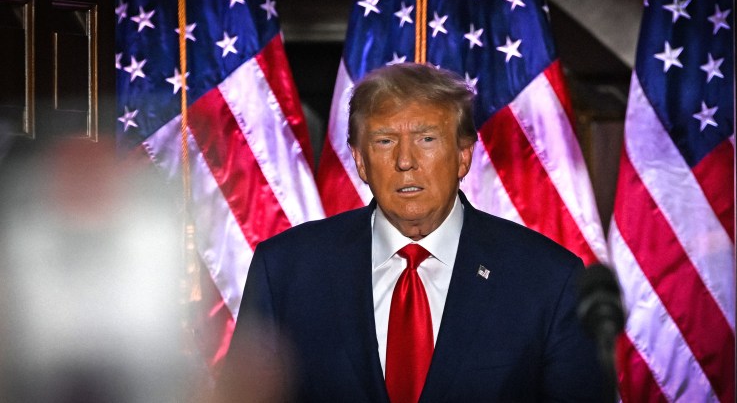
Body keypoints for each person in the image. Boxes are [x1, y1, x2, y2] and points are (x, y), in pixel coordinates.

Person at [217, 63, 603, 402]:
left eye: (426, 139)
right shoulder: (286, 269)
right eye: (385, 141)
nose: (405, 161)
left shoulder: (548, 278)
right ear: (360, 161)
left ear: (463, 155)